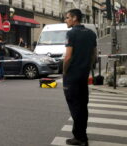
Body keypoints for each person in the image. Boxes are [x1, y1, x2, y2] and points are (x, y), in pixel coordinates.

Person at [63, 9, 97, 146]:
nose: (66, 20)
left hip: (72, 76)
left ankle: (80, 138)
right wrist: (87, 68)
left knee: (75, 107)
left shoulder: (71, 33)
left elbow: (68, 56)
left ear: (75, 18)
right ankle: (82, 135)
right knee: (83, 106)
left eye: (67, 18)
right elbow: (94, 56)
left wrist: (64, 72)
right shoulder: (91, 33)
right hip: (83, 75)